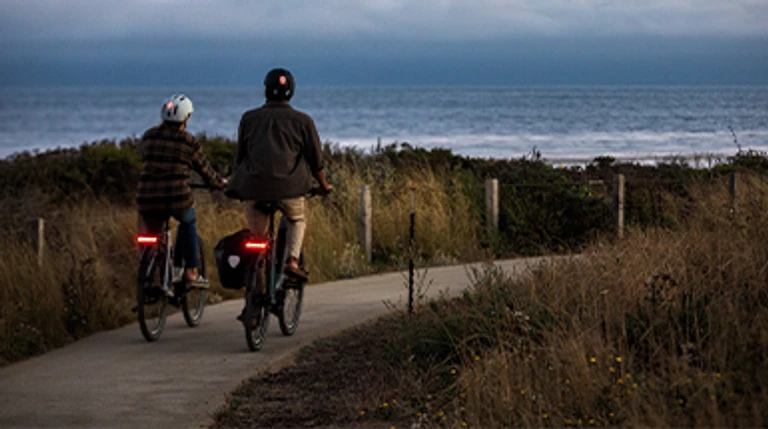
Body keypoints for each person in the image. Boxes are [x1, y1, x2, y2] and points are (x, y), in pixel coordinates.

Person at [229, 68, 332, 284]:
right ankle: (292, 262)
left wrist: (234, 184)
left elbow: (240, 158)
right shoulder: (303, 121)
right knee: (296, 219)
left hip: (254, 189)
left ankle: (255, 287)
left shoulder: (249, 119)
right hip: (290, 190)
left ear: (265, 90)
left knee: (258, 241)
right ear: (292, 91)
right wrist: (323, 185)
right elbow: (316, 161)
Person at [137, 94, 227, 296]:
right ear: (186, 118)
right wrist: (217, 183)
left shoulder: (149, 136)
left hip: (146, 197)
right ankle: (192, 272)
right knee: (188, 221)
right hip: (176, 197)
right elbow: (205, 171)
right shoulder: (189, 142)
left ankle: (155, 275)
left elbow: (144, 156)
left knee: (154, 234)